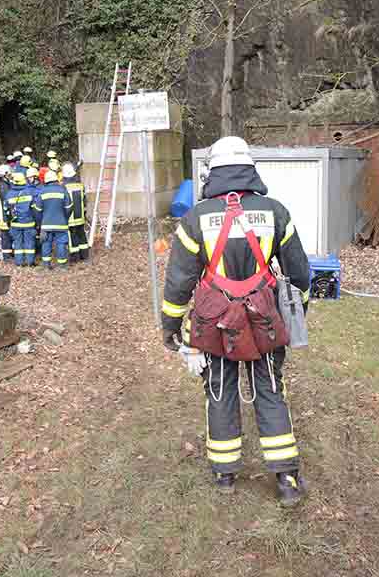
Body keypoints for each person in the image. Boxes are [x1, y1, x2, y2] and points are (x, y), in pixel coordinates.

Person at [161, 136, 311, 506]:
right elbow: (299, 274)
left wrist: (171, 327)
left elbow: (179, 281)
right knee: (271, 389)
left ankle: (224, 473)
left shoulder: (195, 219)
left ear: (212, 173)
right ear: (250, 169)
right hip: (264, 318)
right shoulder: (276, 212)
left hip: (215, 321)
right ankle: (286, 478)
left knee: (219, 390)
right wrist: (295, 314)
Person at [33, 170, 72, 269]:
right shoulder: (63, 191)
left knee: (46, 243)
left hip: (46, 224)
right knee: (61, 244)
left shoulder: (42, 192)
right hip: (61, 223)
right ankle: (62, 265)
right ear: (56, 179)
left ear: (45, 181)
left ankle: (46, 265)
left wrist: (40, 222)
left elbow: (37, 210)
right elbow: (69, 208)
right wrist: (65, 218)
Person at [4, 171, 39, 267]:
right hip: (29, 223)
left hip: (15, 223)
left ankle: (19, 262)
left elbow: (6, 210)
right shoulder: (29, 192)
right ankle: (30, 262)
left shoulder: (9, 194)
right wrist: (37, 221)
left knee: (17, 243)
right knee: (29, 243)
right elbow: (34, 208)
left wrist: (8, 222)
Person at [62, 162, 90, 262]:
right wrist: (84, 214)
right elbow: (84, 201)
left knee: (72, 237)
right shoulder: (80, 186)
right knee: (82, 236)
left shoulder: (63, 187)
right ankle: (85, 255)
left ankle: (75, 257)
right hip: (80, 216)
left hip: (70, 218)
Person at [0, 164, 14, 261]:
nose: (10, 176)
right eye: (9, 174)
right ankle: (7, 257)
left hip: (1, 215)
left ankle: (7, 255)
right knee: (6, 236)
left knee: (6, 235)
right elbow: (8, 201)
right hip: (4, 216)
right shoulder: (4, 187)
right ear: (5, 175)